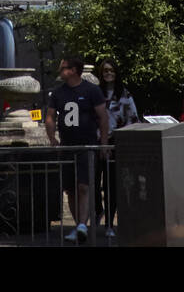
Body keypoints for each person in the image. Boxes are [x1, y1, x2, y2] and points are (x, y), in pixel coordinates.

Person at [45, 53, 108, 244]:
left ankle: (83, 224)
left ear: (73, 71)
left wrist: (103, 143)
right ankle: (78, 225)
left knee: (84, 186)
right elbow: (50, 116)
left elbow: (103, 117)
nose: (60, 71)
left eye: (63, 67)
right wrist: (52, 138)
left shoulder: (92, 90)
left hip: (86, 145)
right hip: (67, 145)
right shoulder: (57, 93)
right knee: (70, 189)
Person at [94, 57, 138, 237]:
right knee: (93, 183)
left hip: (116, 144)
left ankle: (109, 224)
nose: (108, 73)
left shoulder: (124, 94)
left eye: (111, 70)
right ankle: (98, 210)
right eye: (105, 70)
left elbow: (132, 118)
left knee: (111, 185)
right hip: (96, 143)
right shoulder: (95, 93)